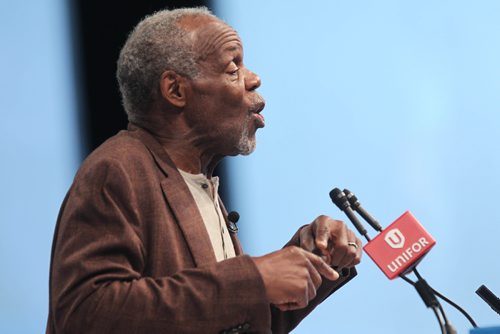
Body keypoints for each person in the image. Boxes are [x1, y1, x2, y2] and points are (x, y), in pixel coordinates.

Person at [47, 7, 362, 334]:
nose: (254, 79)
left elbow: (217, 317)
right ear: (176, 91)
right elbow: (87, 313)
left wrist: (312, 260)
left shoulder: (195, 182)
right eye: (233, 67)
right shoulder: (117, 169)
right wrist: (254, 280)